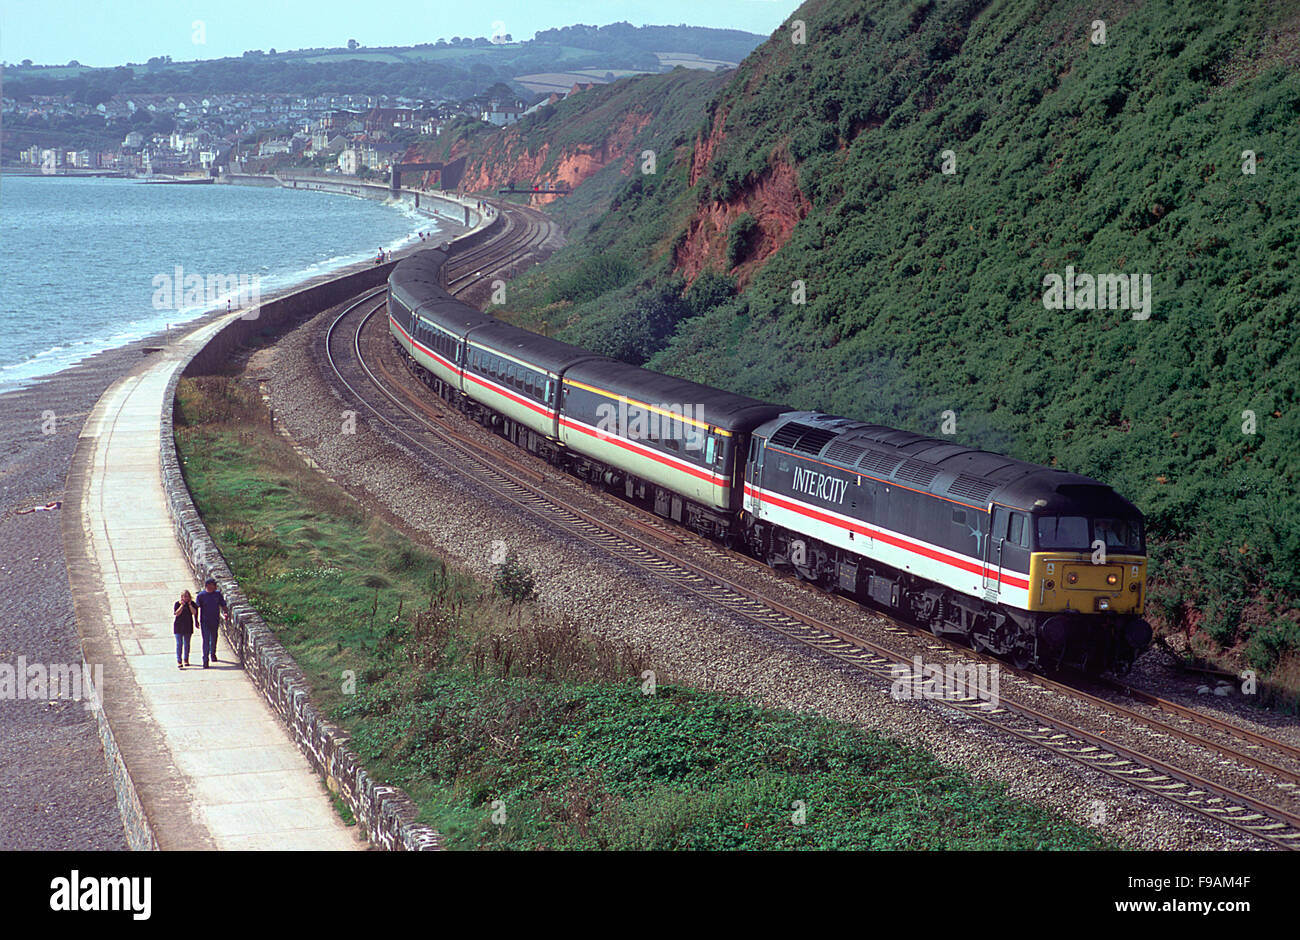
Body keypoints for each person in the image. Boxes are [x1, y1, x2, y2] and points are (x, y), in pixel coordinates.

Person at [194, 578, 230, 668]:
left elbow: (223, 605)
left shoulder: (217, 594)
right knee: (205, 640)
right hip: (205, 622)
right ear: (208, 585)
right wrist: (196, 620)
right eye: (214, 585)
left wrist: (226, 613)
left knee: (214, 637)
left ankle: (213, 653)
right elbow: (196, 609)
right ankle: (205, 660)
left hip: (215, 620)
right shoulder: (201, 596)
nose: (215, 586)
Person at [173, 590, 198, 668]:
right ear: (182, 597)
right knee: (179, 644)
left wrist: (190, 605)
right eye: (184, 596)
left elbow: (194, 612)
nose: (186, 598)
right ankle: (179, 660)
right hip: (178, 627)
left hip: (188, 626)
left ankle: (186, 659)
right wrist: (182, 606)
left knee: (187, 644)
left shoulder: (193, 604)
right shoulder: (177, 604)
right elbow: (177, 613)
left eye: (187, 596)